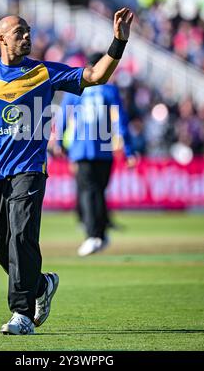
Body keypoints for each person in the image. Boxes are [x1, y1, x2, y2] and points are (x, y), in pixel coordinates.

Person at [0, 7, 134, 335]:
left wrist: (118, 41)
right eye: (19, 33)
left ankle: (21, 314)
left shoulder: (44, 72)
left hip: (30, 169)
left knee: (22, 236)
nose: (27, 36)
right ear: (1, 39)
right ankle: (41, 285)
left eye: (28, 31)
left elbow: (97, 76)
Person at [56, 52, 137, 256]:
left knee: (87, 192)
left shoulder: (76, 88)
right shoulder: (110, 90)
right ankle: (100, 234)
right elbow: (121, 121)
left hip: (81, 149)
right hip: (104, 149)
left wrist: (59, 143)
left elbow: (63, 117)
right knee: (98, 191)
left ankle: (93, 236)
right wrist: (128, 150)